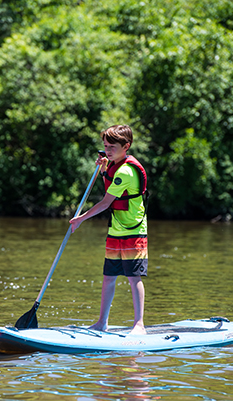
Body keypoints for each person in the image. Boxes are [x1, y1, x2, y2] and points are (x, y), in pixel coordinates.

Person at [70, 124, 149, 335]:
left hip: (133, 230)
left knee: (133, 278)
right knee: (108, 277)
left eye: (113, 146)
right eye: (106, 145)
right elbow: (109, 186)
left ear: (126, 146)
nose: (108, 150)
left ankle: (139, 325)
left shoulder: (126, 170)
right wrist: (104, 169)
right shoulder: (114, 165)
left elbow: (105, 202)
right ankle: (101, 322)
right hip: (116, 229)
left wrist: (80, 219)